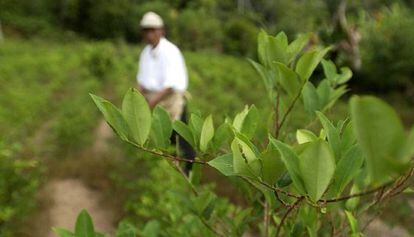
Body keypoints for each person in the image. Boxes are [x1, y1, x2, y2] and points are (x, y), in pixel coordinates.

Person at [136, 12, 195, 175]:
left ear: (161, 31)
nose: (149, 34)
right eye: (146, 31)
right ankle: (169, 173)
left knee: (181, 141)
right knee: (163, 139)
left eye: (153, 30)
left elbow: (169, 86)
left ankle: (189, 174)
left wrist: (150, 104)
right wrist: (135, 100)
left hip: (171, 101)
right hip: (153, 99)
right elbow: (141, 81)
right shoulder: (145, 53)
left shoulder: (170, 51)